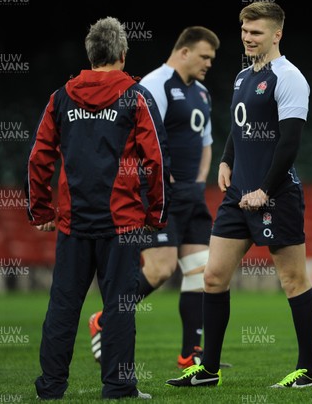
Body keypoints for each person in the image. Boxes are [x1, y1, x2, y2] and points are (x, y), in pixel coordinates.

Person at [165, 1, 312, 388]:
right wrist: (226, 160)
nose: (248, 39)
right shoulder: (241, 77)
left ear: (277, 34)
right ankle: (209, 370)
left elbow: (289, 143)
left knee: (293, 280)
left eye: (257, 32)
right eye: (245, 31)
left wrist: (265, 190)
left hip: (277, 195)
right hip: (237, 196)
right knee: (213, 277)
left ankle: (307, 371)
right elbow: (239, 126)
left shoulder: (290, 77)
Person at [26, 16, 171, 400]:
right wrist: (156, 215)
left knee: (62, 305)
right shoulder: (137, 96)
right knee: (120, 308)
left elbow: (38, 157)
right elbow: (155, 160)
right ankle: (119, 386)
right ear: (123, 55)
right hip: (122, 225)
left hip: (73, 225)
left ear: (91, 55)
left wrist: (41, 210)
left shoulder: (60, 98)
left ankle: (51, 386)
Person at [87, 26, 226, 370]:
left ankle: (190, 355)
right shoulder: (155, 84)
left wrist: (197, 181)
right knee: (162, 270)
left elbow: (206, 142)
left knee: (199, 272)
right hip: (160, 194)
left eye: (212, 58)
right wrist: (166, 181)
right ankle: (105, 318)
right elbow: (143, 139)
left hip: (192, 194)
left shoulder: (203, 94)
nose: (209, 63)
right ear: (184, 52)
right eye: (204, 56)